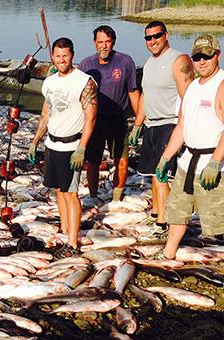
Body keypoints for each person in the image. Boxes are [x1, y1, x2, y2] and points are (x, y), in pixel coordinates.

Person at [153, 34, 224, 290]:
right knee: (177, 211)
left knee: (223, 218)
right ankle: (169, 253)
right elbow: (182, 126)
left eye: (207, 56)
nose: (202, 61)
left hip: (214, 164)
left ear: (217, 55)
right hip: (187, 161)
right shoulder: (193, 87)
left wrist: (215, 163)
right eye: (197, 57)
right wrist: (166, 157)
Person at [28, 37, 97, 251]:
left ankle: (73, 243)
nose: (61, 60)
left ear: (72, 55)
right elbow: (46, 113)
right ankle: (65, 228)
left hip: (72, 146)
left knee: (71, 193)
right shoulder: (49, 82)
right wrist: (35, 141)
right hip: (52, 145)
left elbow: (91, 117)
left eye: (65, 56)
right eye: (57, 56)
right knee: (59, 189)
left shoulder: (84, 81)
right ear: (53, 57)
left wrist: (82, 148)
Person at [129, 21, 194, 237]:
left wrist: (184, 127)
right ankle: (156, 214)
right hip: (151, 125)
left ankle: (164, 224)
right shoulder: (149, 63)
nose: (152, 41)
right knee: (151, 174)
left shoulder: (179, 60)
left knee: (162, 174)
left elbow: (188, 97)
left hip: (170, 123)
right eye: (148, 38)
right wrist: (138, 124)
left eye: (156, 36)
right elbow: (146, 94)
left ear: (166, 35)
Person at [78, 25, 140, 201]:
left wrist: (139, 121)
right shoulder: (86, 65)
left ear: (113, 42)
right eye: (100, 42)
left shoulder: (125, 62)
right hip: (95, 121)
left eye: (107, 42)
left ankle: (117, 196)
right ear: (94, 43)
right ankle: (92, 195)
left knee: (121, 159)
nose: (104, 46)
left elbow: (133, 92)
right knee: (93, 161)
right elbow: (78, 95)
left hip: (118, 118)